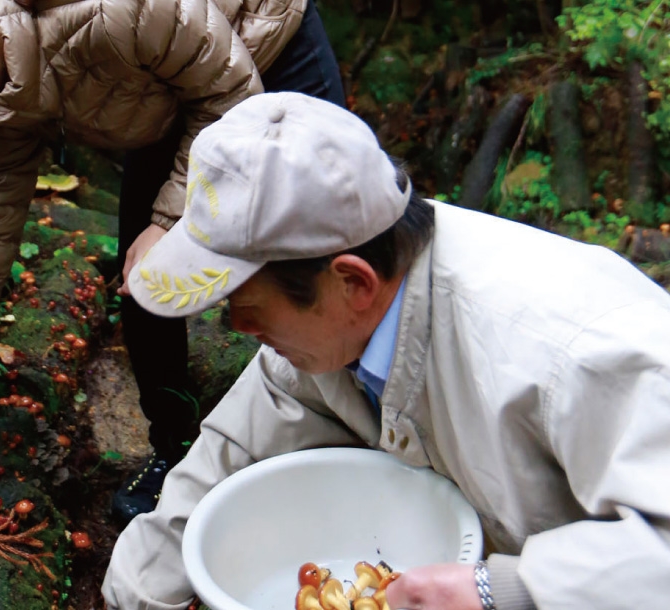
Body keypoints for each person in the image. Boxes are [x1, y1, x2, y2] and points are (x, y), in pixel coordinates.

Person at [102, 91, 670, 609]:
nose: (237, 326)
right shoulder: (327, 333)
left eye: (243, 304)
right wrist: (130, 597)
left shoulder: (568, 352)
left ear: (352, 282)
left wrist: (506, 591)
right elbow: (222, 468)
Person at [0, 0, 345, 521]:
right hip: (165, 94)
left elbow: (229, 91)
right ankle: (177, 451)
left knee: (317, 242)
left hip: (260, 49)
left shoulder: (105, 10)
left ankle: (343, 424)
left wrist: (169, 223)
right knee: (144, 286)